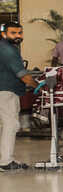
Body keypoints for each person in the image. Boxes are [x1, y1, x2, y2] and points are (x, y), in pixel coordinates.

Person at [0, 22, 35, 171]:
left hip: (5, 90)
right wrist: (39, 86)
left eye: (20, 33)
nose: (17, 36)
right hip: (6, 91)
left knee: (7, 125)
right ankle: (6, 161)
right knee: (11, 124)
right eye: (13, 33)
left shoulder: (6, 48)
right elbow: (22, 75)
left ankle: (6, 158)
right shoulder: (8, 50)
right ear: (4, 34)